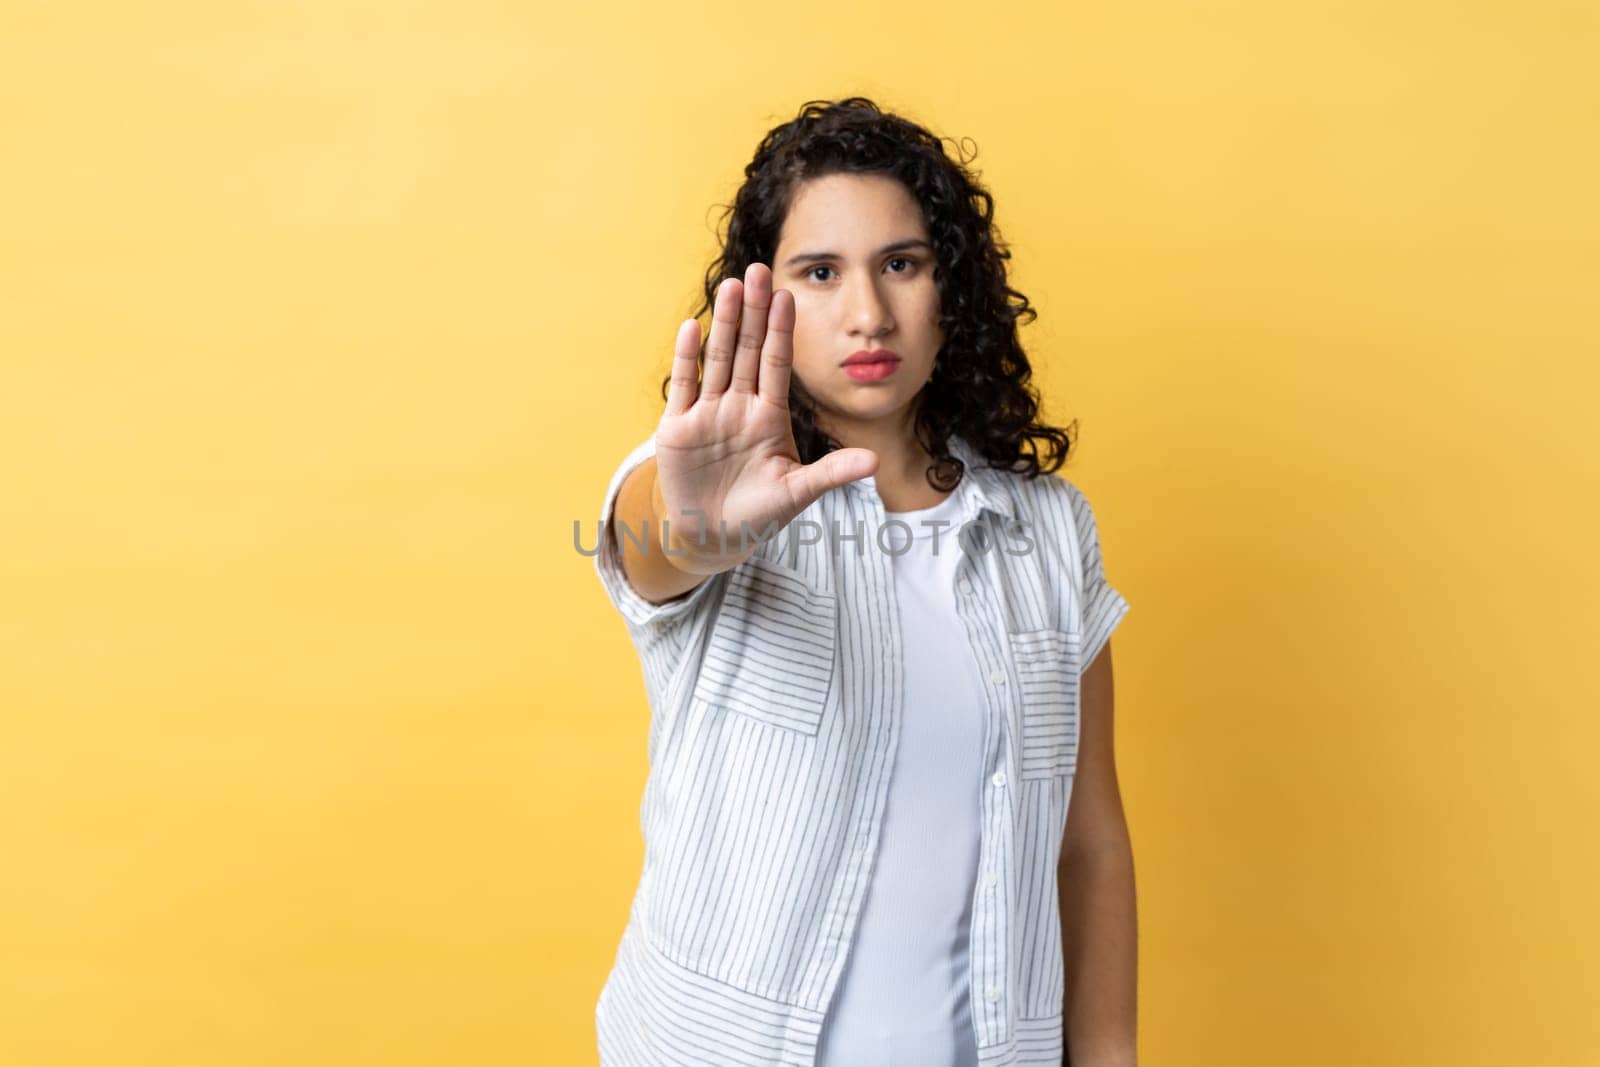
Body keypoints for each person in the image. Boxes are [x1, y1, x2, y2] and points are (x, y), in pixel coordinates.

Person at [591, 97, 1137, 1067]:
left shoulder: (1050, 532)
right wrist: (690, 526)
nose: (868, 312)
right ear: (765, 298)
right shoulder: (716, 495)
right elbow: (647, 546)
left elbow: (1086, 838)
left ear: (950, 289)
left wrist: (1107, 1052)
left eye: (901, 262)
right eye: (819, 271)